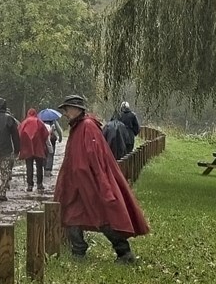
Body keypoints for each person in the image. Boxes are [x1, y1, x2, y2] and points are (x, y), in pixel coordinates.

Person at [51, 94, 150, 264]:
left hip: (91, 182)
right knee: (72, 215)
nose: (65, 113)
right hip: (78, 183)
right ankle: (78, 251)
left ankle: (124, 253)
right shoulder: (78, 126)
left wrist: (101, 184)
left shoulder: (88, 127)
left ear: (76, 109)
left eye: (67, 109)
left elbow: (96, 158)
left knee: (104, 218)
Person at [16, 106, 52, 196]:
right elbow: (46, 134)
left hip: (27, 148)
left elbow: (19, 134)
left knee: (29, 166)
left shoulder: (24, 123)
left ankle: (30, 185)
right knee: (39, 166)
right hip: (38, 147)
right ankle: (39, 184)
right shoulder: (39, 122)